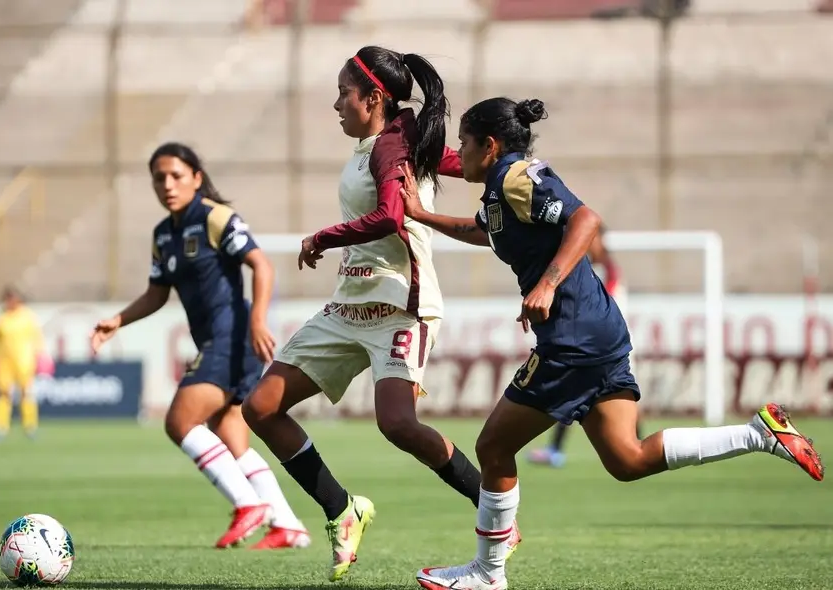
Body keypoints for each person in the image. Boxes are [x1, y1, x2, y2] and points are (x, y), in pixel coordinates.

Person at [398, 97, 824, 590]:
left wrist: (548, 283)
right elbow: (484, 231)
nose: (459, 151)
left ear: (489, 146)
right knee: (627, 459)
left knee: (493, 445)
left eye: (464, 143)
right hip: (599, 332)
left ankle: (488, 574)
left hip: (573, 339)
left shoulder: (518, 178)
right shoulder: (500, 191)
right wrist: (420, 215)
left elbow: (586, 219)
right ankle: (758, 434)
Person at [240, 45, 517, 583]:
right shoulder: (395, 141)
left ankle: (495, 517)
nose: (335, 104)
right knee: (262, 407)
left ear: (372, 98)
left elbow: (393, 216)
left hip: (400, 305)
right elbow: (459, 164)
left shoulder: (391, 145)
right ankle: (343, 510)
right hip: (349, 303)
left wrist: (323, 235)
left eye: (343, 93)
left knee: (397, 424)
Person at [89, 142, 309, 551]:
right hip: (218, 341)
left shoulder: (215, 217)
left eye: (176, 175)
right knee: (230, 438)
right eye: (159, 177)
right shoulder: (163, 235)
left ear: (195, 176)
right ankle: (288, 525)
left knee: (179, 422)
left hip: (233, 336)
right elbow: (157, 294)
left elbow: (261, 264)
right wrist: (118, 320)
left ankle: (248, 506)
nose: (167, 184)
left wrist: (258, 319)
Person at [527, 223, 643, 467]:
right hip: (597, 345)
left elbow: (603, 303)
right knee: (580, 393)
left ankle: (641, 448)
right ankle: (640, 447)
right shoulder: (589, 267)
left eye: (592, 238)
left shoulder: (608, 271)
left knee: (584, 393)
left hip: (609, 345)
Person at [0, 286, 53, 439]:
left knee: (26, 393)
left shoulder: (28, 317)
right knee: (3, 394)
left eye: (13, 299)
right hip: (4, 363)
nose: (10, 302)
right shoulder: (1, 318)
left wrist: (42, 356)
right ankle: (1, 426)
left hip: (24, 361)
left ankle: (30, 426)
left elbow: (37, 338)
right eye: (7, 299)